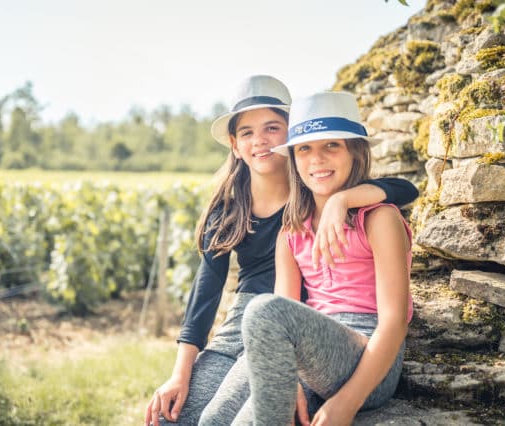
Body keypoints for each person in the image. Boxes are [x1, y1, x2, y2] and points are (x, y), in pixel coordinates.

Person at [145, 77, 418, 426]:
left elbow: (393, 322)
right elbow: (207, 291)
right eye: (305, 149)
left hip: (329, 340)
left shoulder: (366, 212)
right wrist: (181, 372)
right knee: (201, 419)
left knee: (265, 312)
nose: (316, 159)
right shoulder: (279, 225)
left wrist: (342, 200)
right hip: (268, 331)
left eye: (331, 145)